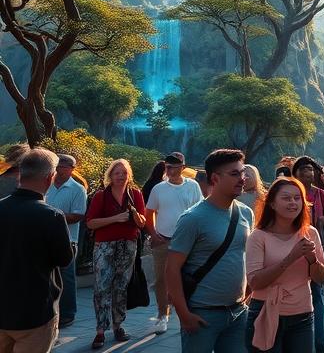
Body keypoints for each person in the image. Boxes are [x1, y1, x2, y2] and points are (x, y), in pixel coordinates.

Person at [166, 149, 255, 353]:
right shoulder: (193, 218)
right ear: (215, 178)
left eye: (242, 173)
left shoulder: (246, 213)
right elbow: (171, 269)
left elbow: (245, 257)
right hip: (202, 314)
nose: (242, 179)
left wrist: (247, 296)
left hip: (238, 312)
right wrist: (183, 314)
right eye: (234, 174)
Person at [0, 148, 73, 353]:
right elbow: (65, 260)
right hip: (35, 312)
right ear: (50, 178)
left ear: (20, 175)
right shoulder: (52, 216)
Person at [246, 176, 324, 352]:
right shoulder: (258, 236)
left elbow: (321, 277)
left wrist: (312, 259)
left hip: (302, 316)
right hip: (264, 312)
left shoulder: (310, 233)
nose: (293, 203)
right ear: (272, 204)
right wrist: (291, 258)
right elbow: (255, 282)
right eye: (286, 198)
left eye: (297, 198)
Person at [85, 158, 147, 348]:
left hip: (128, 245)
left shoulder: (135, 194)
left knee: (121, 287)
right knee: (102, 287)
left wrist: (136, 215)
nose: (121, 176)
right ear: (110, 176)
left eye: (124, 172)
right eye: (117, 172)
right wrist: (116, 218)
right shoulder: (100, 196)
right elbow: (90, 223)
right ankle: (100, 330)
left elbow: (143, 222)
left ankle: (118, 325)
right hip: (104, 246)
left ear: (129, 176)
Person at [146, 151, 204, 334]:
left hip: (187, 241)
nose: (170, 170)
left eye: (174, 167)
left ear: (183, 168)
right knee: (161, 279)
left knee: (188, 277)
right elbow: (149, 213)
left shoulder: (193, 186)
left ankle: (187, 313)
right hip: (163, 239)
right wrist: (153, 235)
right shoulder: (158, 188)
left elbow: (200, 211)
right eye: (167, 167)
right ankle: (163, 315)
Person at [292, 157, 324, 353]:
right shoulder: (290, 192)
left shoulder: (320, 194)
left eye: (310, 169)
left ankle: (319, 345)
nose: (307, 173)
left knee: (316, 295)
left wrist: (316, 219)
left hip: (315, 245)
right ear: (295, 173)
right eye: (302, 170)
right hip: (290, 247)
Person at [44, 154, 86, 329]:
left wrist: (52, 217)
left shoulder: (77, 189)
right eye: (57, 165)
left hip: (68, 240)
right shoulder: (46, 185)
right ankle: (49, 311)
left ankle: (68, 313)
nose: (59, 168)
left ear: (72, 169)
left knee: (66, 277)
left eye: (63, 165)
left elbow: (78, 215)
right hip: (44, 238)